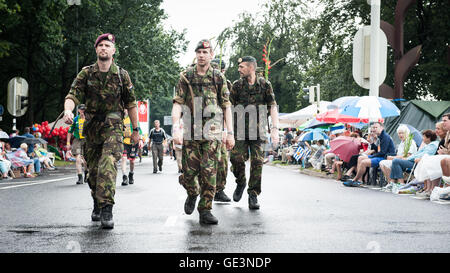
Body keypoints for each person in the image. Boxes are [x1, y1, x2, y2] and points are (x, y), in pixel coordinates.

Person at [63, 33, 139, 229]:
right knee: (94, 172)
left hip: (113, 127)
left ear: (113, 50)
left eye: (108, 45)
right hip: (91, 129)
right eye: (101, 45)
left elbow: (131, 104)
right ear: (96, 49)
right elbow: (72, 94)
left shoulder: (122, 75)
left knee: (108, 164)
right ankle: (97, 202)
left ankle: (107, 209)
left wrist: (136, 129)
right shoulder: (86, 74)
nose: (104, 48)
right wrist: (68, 109)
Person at [171, 39, 234, 225]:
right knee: (189, 173)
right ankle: (192, 193)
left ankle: (205, 209)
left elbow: (226, 106)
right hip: (191, 129)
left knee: (209, 171)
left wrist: (229, 132)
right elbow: (178, 104)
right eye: (198, 52)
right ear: (195, 54)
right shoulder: (186, 76)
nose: (201, 55)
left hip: (212, 130)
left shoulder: (218, 77)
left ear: (211, 55)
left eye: (205, 52)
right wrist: (176, 127)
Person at [229, 55, 279, 210]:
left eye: (241, 67)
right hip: (240, 130)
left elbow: (272, 106)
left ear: (251, 67)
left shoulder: (264, 85)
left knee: (257, 162)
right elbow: (228, 108)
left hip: (259, 130)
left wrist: (275, 129)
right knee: (236, 158)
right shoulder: (237, 86)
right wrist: (228, 130)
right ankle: (241, 181)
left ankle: (253, 194)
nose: (239, 69)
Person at [344, 122, 395, 187]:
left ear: (382, 128)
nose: (374, 129)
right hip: (380, 155)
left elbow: (382, 153)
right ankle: (359, 181)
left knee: (363, 162)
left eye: (376, 127)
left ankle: (354, 180)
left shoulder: (385, 137)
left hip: (385, 157)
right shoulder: (380, 136)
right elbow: (378, 150)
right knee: (360, 157)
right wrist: (372, 143)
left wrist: (371, 156)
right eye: (373, 127)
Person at [211, 58, 233, 202]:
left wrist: (227, 130)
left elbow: (227, 108)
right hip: (201, 127)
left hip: (219, 128)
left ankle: (219, 189)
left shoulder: (226, 84)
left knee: (223, 160)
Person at [413, 114, 450, 198]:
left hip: (446, 157)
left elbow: (445, 150)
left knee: (431, 160)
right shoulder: (448, 133)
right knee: (428, 159)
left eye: (445, 121)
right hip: (444, 156)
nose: (443, 122)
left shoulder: (437, 141)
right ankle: (430, 189)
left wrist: (445, 152)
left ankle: (433, 189)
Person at [379, 124, 418, 191]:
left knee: (395, 161)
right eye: (399, 133)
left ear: (407, 133)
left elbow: (408, 155)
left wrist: (393, 157)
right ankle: (391, 183)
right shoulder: (402, 142)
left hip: (410, 161)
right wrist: (393, 157)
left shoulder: (410, 141)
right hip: (402, 160)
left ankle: (400, 183)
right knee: (382, 163)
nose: (400, 135)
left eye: (402, 133)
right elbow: (399, 155)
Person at [67, 104, 88, 184]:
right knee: (78, 158)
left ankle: (86, 173)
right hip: (77, 140)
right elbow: (69, 132)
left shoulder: (88, 119)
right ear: (78, 110)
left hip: (86, 139)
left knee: (86, 160)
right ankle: (80, 177)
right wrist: (68, 143)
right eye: (81, 109)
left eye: (84, 109)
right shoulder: (75, 119)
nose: (82, 111)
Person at [121, 108, 142, 185]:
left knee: (132, 161)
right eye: (124, 109)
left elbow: (139, 131)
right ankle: (124, 176)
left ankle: (131, 174)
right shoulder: (121, 120)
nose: (125, 111)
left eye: (126, 110)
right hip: (124, 142)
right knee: (123, 158)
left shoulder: (133, 120)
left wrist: (140, 140)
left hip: (133, 142)